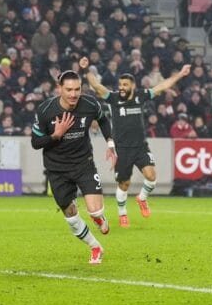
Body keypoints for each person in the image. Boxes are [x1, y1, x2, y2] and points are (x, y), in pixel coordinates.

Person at [86, 61, 191, 227]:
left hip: (140, 146)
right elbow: (96, 85)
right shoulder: (113, 98)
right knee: (124, 183)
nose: (121, 87)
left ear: (132, 86)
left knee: (151, 177)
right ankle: (122, 214)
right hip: (122, 148)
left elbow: (162, 87)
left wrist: (180, 74)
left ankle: (141, 198)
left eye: (125, 84)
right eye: (120, 84)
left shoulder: (140, 96)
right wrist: (86, 69)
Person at [31, 64, 116, 264]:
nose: (74, 94)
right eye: (69, 90)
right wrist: (56, 135)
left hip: (83, 163)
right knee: (70, 216)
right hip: (57, 169)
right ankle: (95, 247)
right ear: (59, 88)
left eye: (77, 89)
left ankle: (99, 217)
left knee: (95, 210)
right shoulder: (45, 110)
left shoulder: (90, 104)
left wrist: (110, 143)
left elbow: (103, 120)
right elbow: (35, 142)